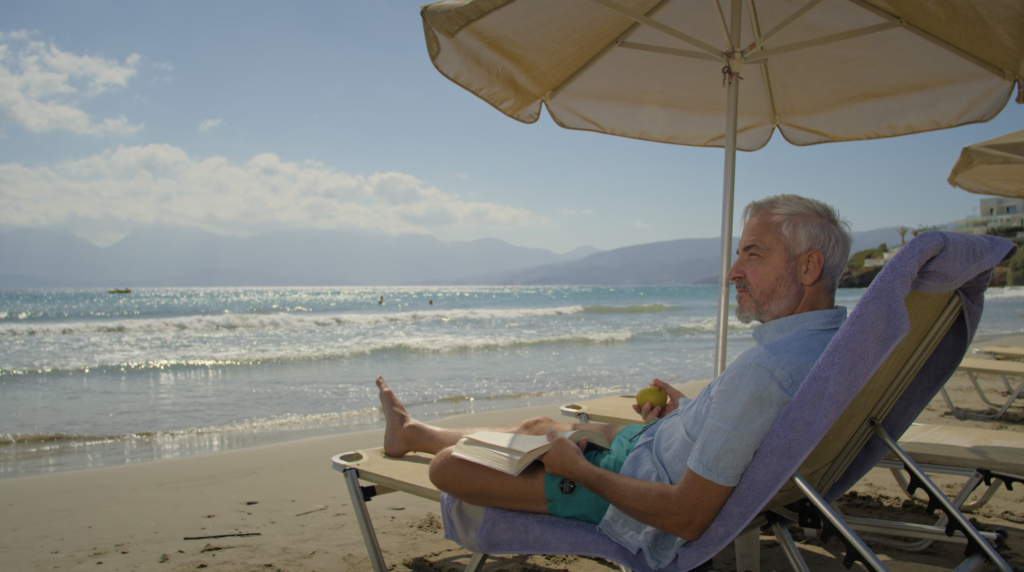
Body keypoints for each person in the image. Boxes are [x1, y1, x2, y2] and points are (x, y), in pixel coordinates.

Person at [376, 194, 852, 568]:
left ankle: (424, 441)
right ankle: (415, 433)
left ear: (808, 266)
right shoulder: (828, 348)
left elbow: (686, 516)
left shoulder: (766, 372)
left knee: (447, 469)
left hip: (633, 491)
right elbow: (744, 428)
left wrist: (580, 472)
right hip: (652, 449)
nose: (733, 272)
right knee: (539, 426)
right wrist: (689, 412)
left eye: (753, 254)